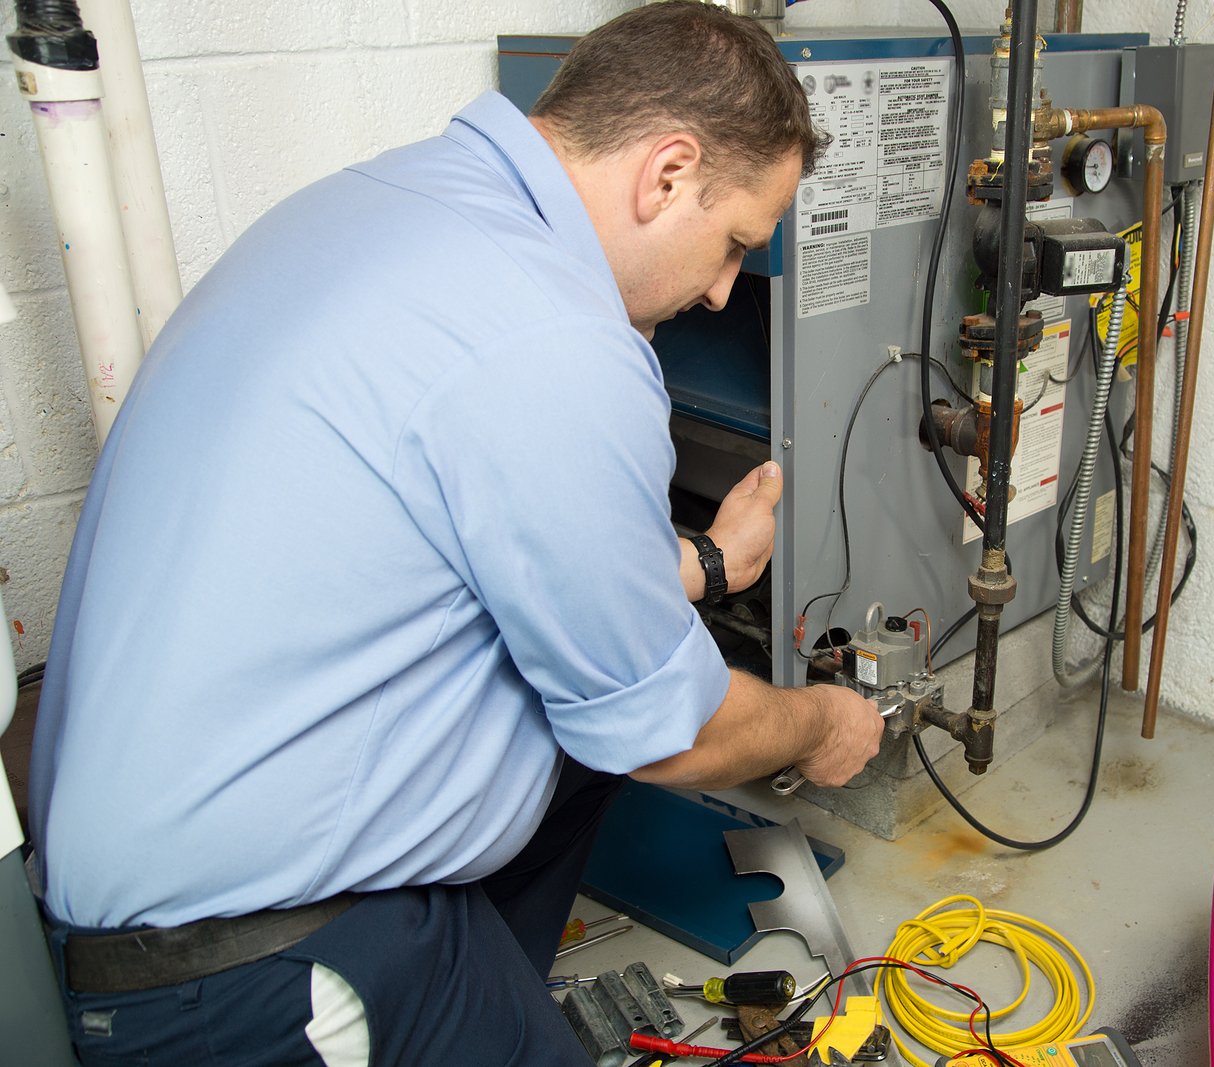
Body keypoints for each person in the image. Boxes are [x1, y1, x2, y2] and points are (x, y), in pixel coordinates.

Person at [26, 3, 884, 1064]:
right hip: (237, 972)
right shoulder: (555, 338)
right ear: (666, 172)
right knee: (619, 737)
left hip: (145, 856)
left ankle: (484, 987)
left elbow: (480, 541)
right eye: (734, 244)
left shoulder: (386, 205)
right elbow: (670, 729)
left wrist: (707, 562)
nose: (720, 290)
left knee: (575, 760)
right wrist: (820, 722)